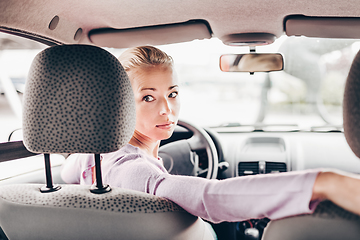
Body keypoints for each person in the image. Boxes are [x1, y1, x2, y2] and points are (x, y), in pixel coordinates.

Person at [61, 46, 360, 224]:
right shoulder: (136, 172)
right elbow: (209, 198)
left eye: (173, 93)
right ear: (120, 104)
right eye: (149, 98)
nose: (167, 110)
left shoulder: (89, 157)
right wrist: (325, 182)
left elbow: (68, 171)